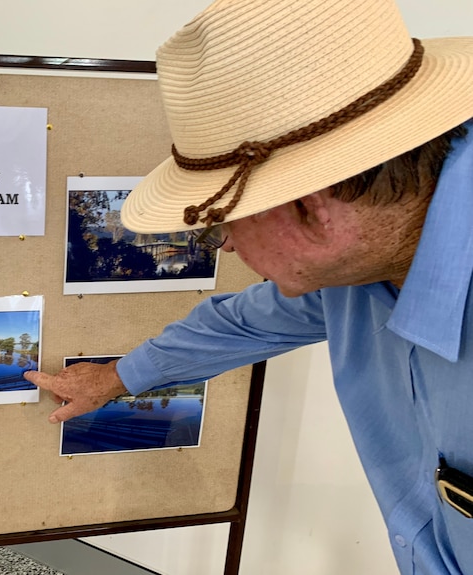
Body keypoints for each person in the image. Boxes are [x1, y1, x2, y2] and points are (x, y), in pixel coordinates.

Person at [24, 1, 473, 573]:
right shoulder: (357, 268)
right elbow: (240, 321)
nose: (226, 246)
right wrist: (114, 377)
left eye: (217, 225)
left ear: (310, 206)